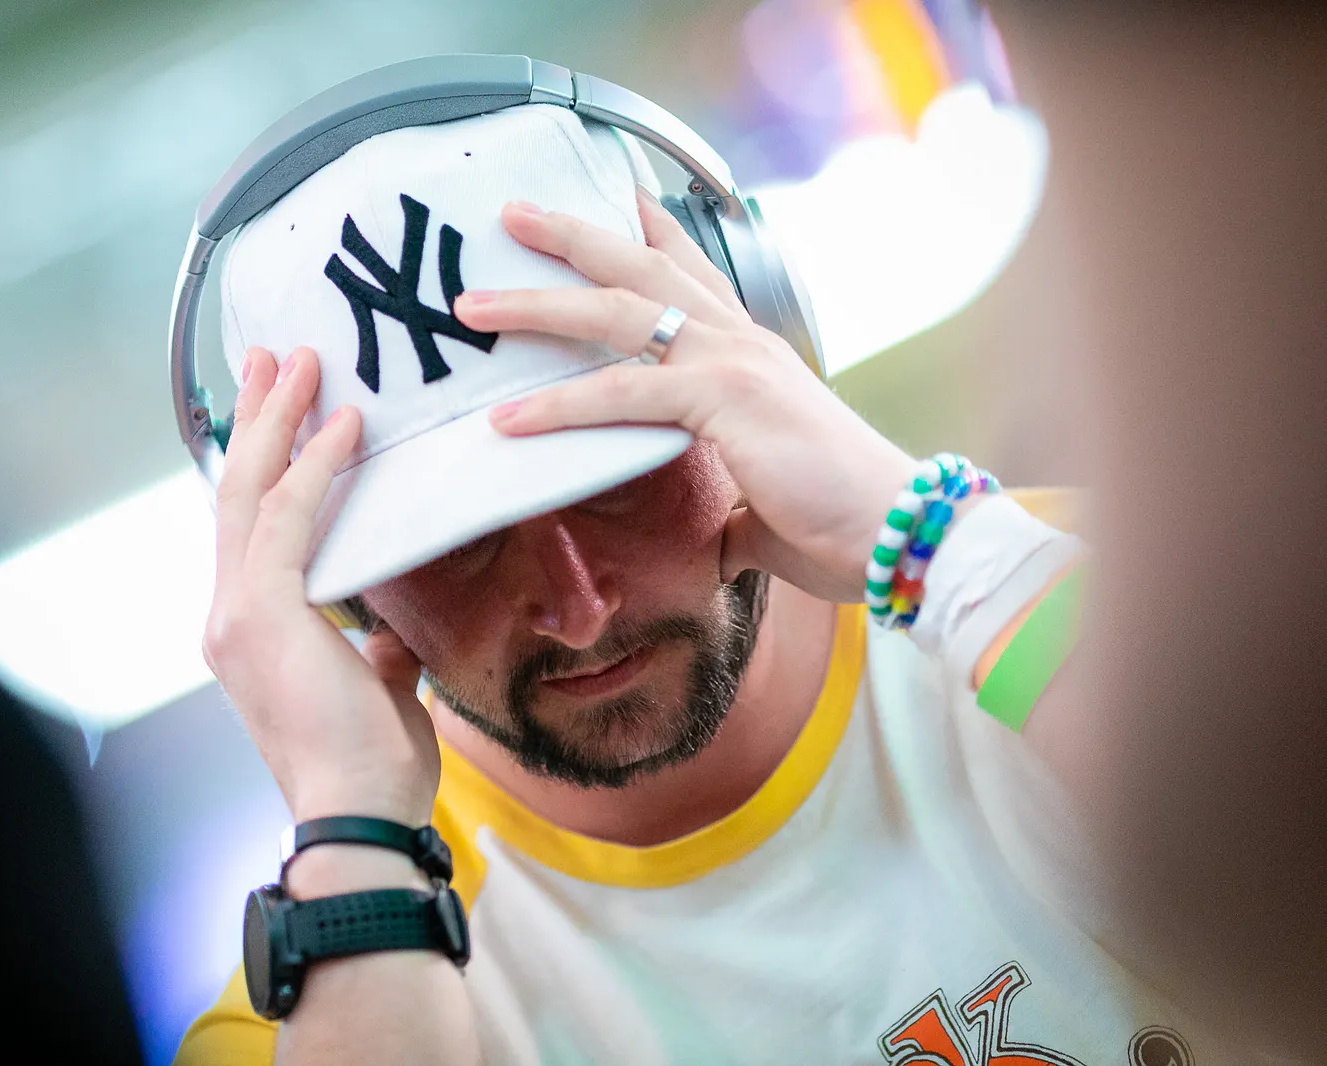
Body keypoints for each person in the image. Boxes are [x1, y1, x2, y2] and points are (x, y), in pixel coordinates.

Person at [171, 102, 1217, 1065]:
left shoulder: (1095, 590)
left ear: (759, 364)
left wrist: (938, 549)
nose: (579, 608)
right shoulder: (332, 988)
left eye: (617, 478)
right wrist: (351, 823)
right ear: (336, 587)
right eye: (457, 544)